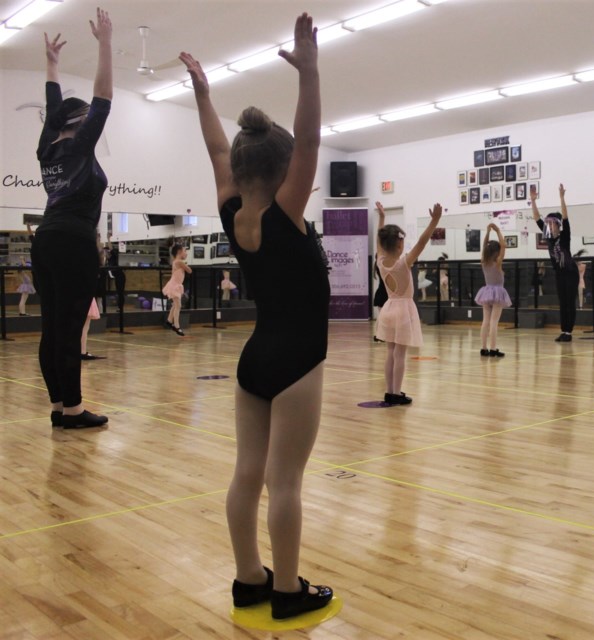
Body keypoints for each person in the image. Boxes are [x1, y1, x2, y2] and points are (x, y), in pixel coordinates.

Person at [180, 13, 335, 620]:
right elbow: (313, 138)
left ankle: (250, 579)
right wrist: (311, 73)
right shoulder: (285, 213)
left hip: (255, 359)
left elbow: (218, 146)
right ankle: (289, 590)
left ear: (242, 173)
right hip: (299, 361)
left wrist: (203, 93)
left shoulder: (231, 212)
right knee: (286, 481)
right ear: (282, 173)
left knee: (248, 474)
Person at [30, 10, 112, 430]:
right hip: (74, 241)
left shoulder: (47, 148)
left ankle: (61, 406)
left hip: (44, 240)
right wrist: (104, 43)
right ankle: (75, 410)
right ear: (81, 122)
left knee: (52, 327)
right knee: (69, 325)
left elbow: (51, 107)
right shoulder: (81, 145)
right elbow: (103, 99)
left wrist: (52, 64)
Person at [375, 202, 442, 403]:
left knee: (390, 352)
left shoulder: (380, 260)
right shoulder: (403, 262)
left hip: (388, 309)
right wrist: (435, 221)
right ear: (400, 244)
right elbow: (422, 242)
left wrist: (382, 218)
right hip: (403, 309)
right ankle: (396, 393)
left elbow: (380, 240)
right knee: (400, 354)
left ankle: (389, 391)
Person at [532, 184, 577, 342]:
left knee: (570, 302)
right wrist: (533, 201)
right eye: (549, 224)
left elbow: (565, 217)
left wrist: (562, 198)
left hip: (571, 273)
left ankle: (569, 332)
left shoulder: (564, 235)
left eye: (552, 224)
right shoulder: (548, 236)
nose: (550, 226)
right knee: (562, 302)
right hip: (559, 274)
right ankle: (564, 330)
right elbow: (537, 218)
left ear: (558, 225)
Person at [474, 223, 512, 357]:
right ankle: (493, 348)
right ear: (497, 252)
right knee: (494, 322)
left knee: (485, 321)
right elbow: (504, 245)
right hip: (498, 293)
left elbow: (484, 246)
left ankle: (483, 348)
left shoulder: (483, 261)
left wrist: (487, 232)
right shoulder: (498, 262)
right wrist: (498, 231)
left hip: (486, 292)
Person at [162, 244, 192, 336]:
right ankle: (177, 326)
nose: (186, 254)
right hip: (174, 286)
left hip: (176, 285)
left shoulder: (176, 261)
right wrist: (186, 265)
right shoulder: (179, 262)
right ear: (179, 252)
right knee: (178, 305)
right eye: (185, 251)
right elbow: (189, 271)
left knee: (175, 304)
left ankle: (169, 320)